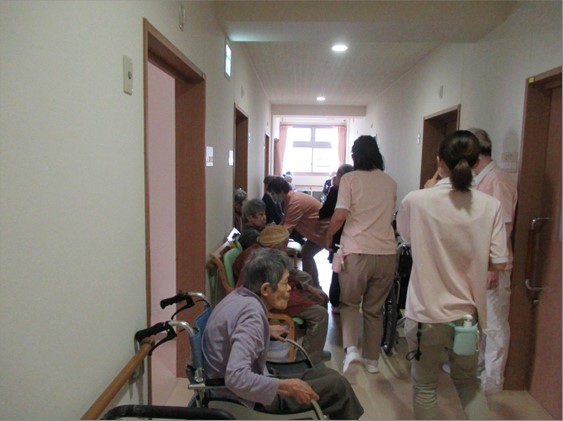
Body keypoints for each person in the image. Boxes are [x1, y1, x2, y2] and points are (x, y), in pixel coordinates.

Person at [396, 130, 508, 419]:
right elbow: (499, 263)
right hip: (467, 317)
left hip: (425, 314)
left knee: (425, 387)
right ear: (476, 163)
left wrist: (429, 187)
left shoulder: (416, 200)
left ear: (439, 162)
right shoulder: (490, 205)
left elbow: (406, 237)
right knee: (469, 384)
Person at [202, 247, 364, 420]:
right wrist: (284, 386)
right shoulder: (253, 318)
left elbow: (233, 331)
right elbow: (236, 377)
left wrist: (266, 329)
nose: (289, 289)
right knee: (338, 386)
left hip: (238, 386)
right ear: (266, 289)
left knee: (328, 375)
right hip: (247, 400)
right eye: (285, 283)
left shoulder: (239, 296)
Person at [324, 135, 397, 379]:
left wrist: (328, 236)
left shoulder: (350, 179)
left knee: (350, 304)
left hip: (356, 251)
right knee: (374, 310)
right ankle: (373, 361)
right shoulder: (389, 181)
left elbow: (340, 215)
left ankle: (352, 350)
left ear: (355, 156)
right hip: (386, 253)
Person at [233, 225, 330, 365]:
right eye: (284, 245)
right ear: (274, 247)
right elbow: (246, 290)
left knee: (319, 298)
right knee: (320, 314)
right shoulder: (258, 262)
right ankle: (309, 361)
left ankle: (314, 346)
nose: (286, 249)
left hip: (272, 293)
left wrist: (308, 288)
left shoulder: (263, 253)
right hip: (268, 299)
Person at [469, 127, 518, 395]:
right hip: (477, 264)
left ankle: (492, 379)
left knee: (495, 325)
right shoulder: (480, 179)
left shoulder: (498, 181)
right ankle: (477, 369)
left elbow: (503, 228)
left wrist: (492, 267)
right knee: (479, 322)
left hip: (493, 266)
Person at [269, 176, 329, 289]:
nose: (272, 196)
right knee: (307, 253)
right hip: (318, 232)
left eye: (273, 193)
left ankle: (309, 286)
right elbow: (283, 223)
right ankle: (314, 285)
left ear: (280, 191)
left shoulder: (294, 202)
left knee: (307, 254)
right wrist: (273, 234)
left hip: (324, 232)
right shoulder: (290, 200)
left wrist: (278, 249)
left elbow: (286, 231)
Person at [319, 164, 354, 313]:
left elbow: (325, 212)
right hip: (355, 235)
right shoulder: (358, 190)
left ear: (340, 175)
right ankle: (350, 301)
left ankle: (336, 303)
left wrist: (328, 235)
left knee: (337, 269)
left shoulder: (336, 191)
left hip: (339, 234)